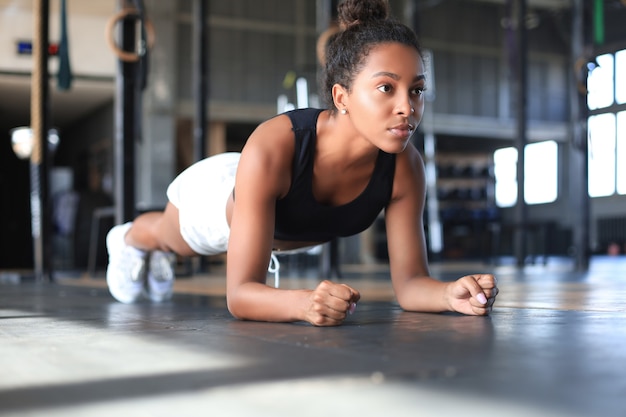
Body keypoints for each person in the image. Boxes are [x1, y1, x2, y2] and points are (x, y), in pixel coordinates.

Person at [105, 0, 499, 326]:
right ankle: (127, 241)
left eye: (416, 90)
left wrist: (449, 293)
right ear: (341, 97)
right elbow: (240, 295)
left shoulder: (405, 168)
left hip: (278, 224)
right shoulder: (277, 144)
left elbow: (411, 282)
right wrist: (303, 303)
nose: (407, 107)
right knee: (169, 239)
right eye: (386, 87)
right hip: (219, 197)